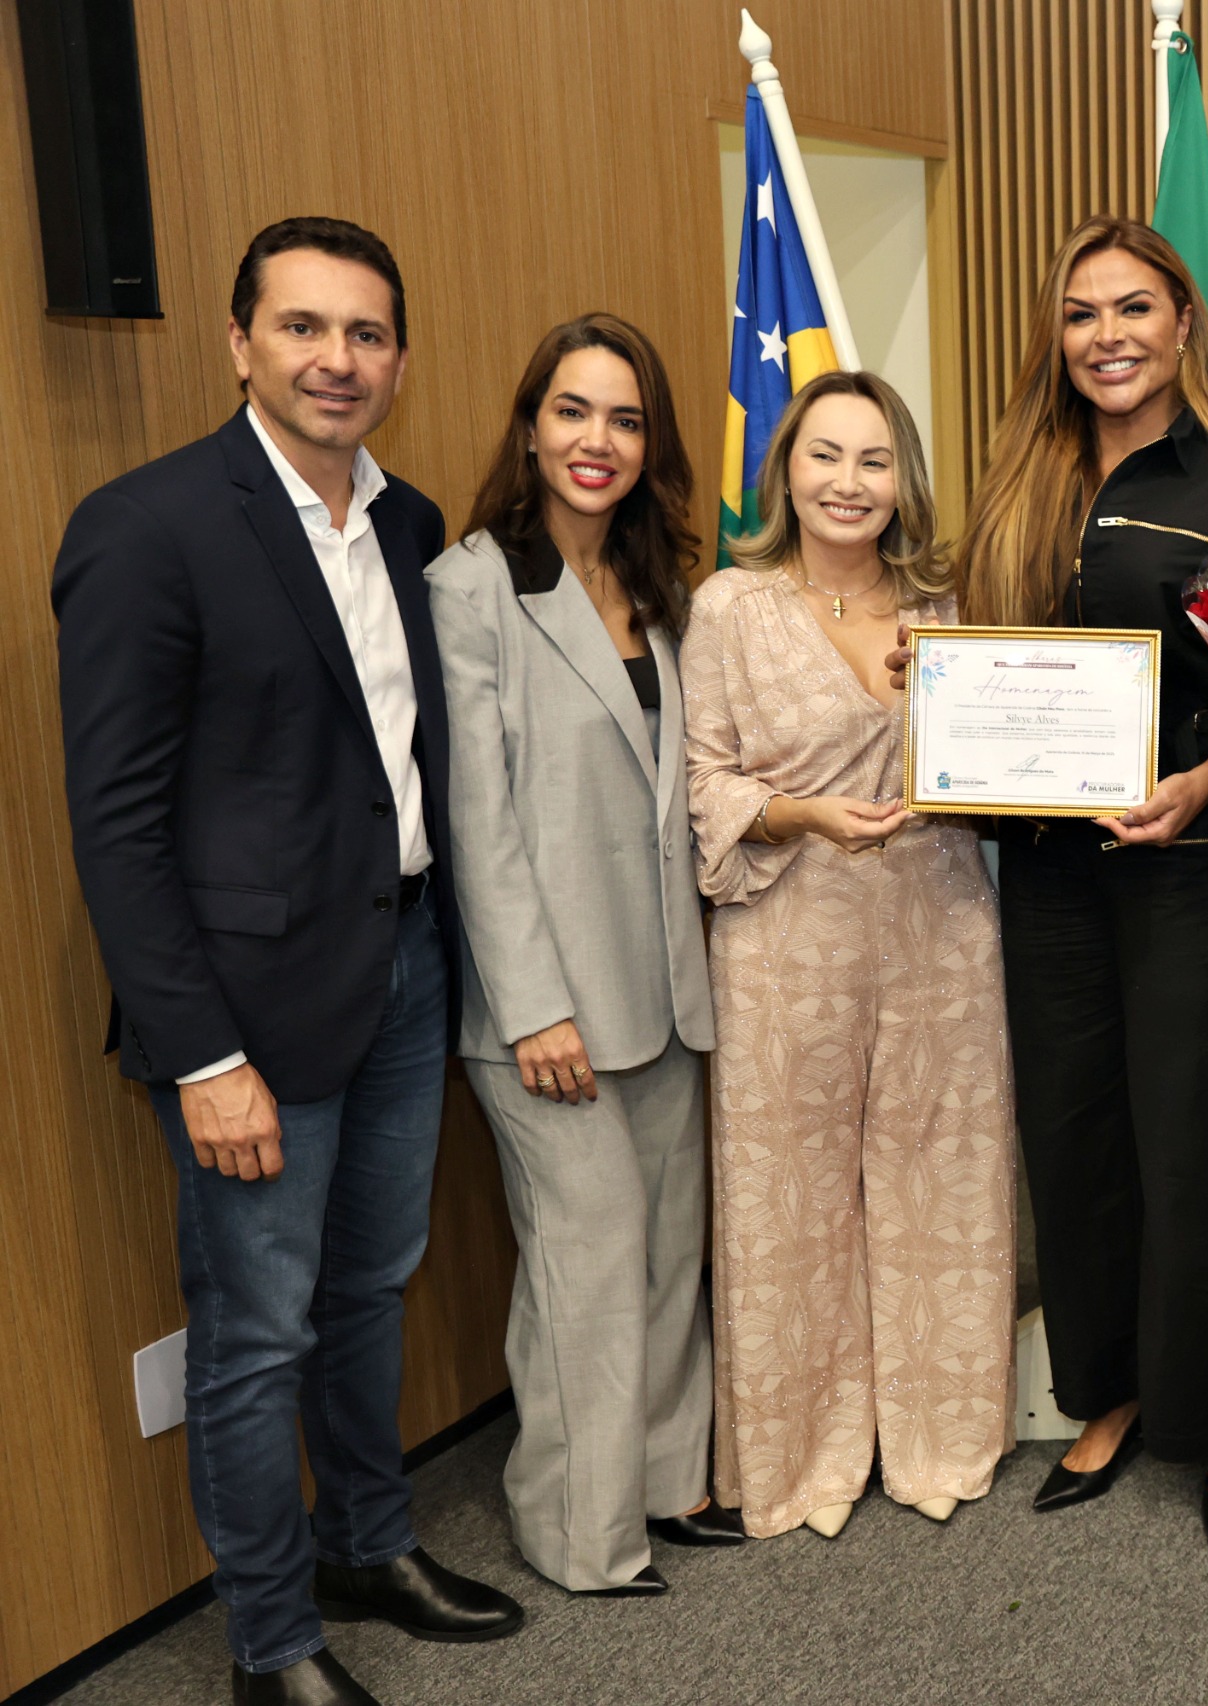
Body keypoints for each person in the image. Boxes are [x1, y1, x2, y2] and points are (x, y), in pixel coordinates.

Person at [52, 217, 522, 1706]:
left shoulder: (406, 520)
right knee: (255, 1333)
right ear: (240, 342)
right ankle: (271, 1641)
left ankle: (368, 1543)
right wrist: (200, 1055)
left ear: (398, 357)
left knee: (372, 1283)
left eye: (367, 333)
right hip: (247, 1017)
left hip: (404, 969)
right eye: (305, 327)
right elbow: (117, 826)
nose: (338, 359)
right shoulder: (148, 524)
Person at [905, 214, 1208, 1548]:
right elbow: (1002, 656)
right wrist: (938, 684)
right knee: (1074, 1135)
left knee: (1199, 1136)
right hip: (1049, 865)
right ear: (1057, 335)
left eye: (1135, 308)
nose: (1109, 336)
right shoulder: (1026, 473)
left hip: (1197, 854)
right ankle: (1111, 1385)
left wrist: (1200, 781)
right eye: (1082, 314)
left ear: (1185, 324)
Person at [427, 313, 739, 1599]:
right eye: (572, 411)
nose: (596, 441)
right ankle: (574, 1525)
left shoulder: (658, 582)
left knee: (669, 1250)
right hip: (545, 1011)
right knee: (588, 1257)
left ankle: (664, 1483)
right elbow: (478, 819)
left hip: (662, 984)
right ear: (530, 423)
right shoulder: (473, 585)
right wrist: (533, 1006)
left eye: (623, 417)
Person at [685, 369, 1016, 1539]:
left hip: (937, 923)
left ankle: (940, 1434)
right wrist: (800, 813)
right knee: (791, 1195)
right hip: (786, 931)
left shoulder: (946, 603)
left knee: (944, 1176)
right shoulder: (729, 605)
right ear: (785, 471)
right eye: (825, 455)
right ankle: (803, 1455)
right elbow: (706, 778)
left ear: (902, 479)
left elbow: (996, 769)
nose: (848, 482)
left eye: (873, 460)